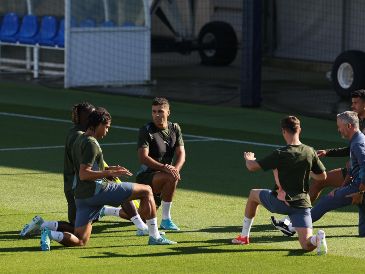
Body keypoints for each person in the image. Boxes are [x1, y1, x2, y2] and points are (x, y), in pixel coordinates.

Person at [39, 107, 176, 251]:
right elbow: (84, 174)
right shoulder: (91, 144)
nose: (107, 131)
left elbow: (86, 167)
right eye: (106, 127)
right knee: (147, 190)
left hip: (82, 197)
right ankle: (154, 236)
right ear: (98, 124)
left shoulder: (79, 139)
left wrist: (109, 170)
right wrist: (107, 173)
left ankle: (50, 234)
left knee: (80, 240)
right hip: (97, 191)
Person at [20, 103, 144, 237]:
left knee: (120, 195)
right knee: (75, 229)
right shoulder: (81, 137)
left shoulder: (76, 133)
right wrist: (108, 172)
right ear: (85, 118)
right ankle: (44, 226)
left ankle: (136, 224)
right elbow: (84, 166)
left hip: (78, 185)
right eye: (91, 115)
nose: (94, 117)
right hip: (78, 187)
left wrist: (108, 169)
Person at [231, 116, 328, 255]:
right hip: (302, 204)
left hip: (280, 202)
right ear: (299, 129)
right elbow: (322, 176)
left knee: (253, 194)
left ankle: (243, 237)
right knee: (306, 244)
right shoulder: (309, 151)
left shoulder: (280, 153)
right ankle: (316, 239)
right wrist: (307, 170)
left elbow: (252, 167)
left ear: (283, 131)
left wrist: (249, 159)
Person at [273, 90, 365, 236]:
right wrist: (329, 153)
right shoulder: (357, 133)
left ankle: (293, 225)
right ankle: (292, 220)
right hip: (356, 175)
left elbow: (360, 157)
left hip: (360, 181)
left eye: (356, 103)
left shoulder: (358, 139)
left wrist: (359, 191)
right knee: (320, 183)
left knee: (326, 202)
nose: (353, 105)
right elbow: (354, 153)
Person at [136, 97, 185, 231]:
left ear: (168, 112)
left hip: (165, 175)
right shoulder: (146, 130)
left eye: (160, 111)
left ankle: (107, 211)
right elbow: (143, 158)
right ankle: (166, 220)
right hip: (147, 176)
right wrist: (165, 168)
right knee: (171, 177)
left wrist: (175, 169)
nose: (157, 115)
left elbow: (181, 153)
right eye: (154, 111)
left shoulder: (175, 128)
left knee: (138, 216)